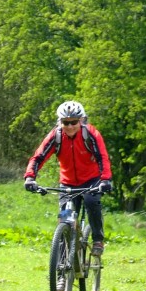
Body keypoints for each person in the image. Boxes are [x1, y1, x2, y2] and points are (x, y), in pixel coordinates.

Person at [23, 100, 113, 255]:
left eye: (74, 122)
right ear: (60, 122)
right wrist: (30, 177)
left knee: (92, 202)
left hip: (91, 180)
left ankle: (98, 240)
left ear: (82, 120)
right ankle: (62, 270)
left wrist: (105, 180)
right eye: (66, 122)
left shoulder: (90, 134)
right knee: (65, 219)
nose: (70, 126)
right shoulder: (55, 136)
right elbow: (38, 158)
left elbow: (102, 157)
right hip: (68, 183)